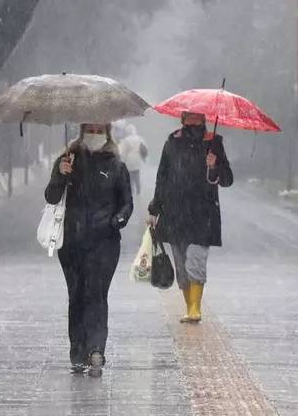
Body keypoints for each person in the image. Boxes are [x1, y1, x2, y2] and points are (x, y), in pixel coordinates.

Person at [44, 123, 133, 377]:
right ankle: (77, 351)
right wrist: (61, 174)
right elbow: (51, 196)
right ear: (82, 131)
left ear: (107, 132)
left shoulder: (116, 165)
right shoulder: (68, 159)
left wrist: (118, 220)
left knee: (96, 293)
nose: (94, 133)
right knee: (77, 295)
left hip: (104, 242)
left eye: (99, 129)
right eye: (89, 129)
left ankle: (96, 349)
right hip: (71, 241)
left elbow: (127, 203)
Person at [148, 111, 233, 323]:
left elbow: (227, 179)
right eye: (189, 117)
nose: (193, 121)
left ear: (204, 119)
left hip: (203, 215)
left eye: (197, 117)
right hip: (175, 213)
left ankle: (195, 308)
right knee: (181, 266)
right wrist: (155, 208)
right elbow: (162, 177)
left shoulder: (214, 142)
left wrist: (214, 166)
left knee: (196, 261)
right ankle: (188, 306)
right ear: (182, 119)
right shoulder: (172, 143)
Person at [118, 124, 148, 196]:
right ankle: (139, 191)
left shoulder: (126, 140)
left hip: (129, 160)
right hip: (138, 159)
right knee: (137, 176)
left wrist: (122, 161)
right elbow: (144, 149)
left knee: (130, 176)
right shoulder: (140, 139)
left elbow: (124, 152)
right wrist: (144, 158)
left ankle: (132, 191)